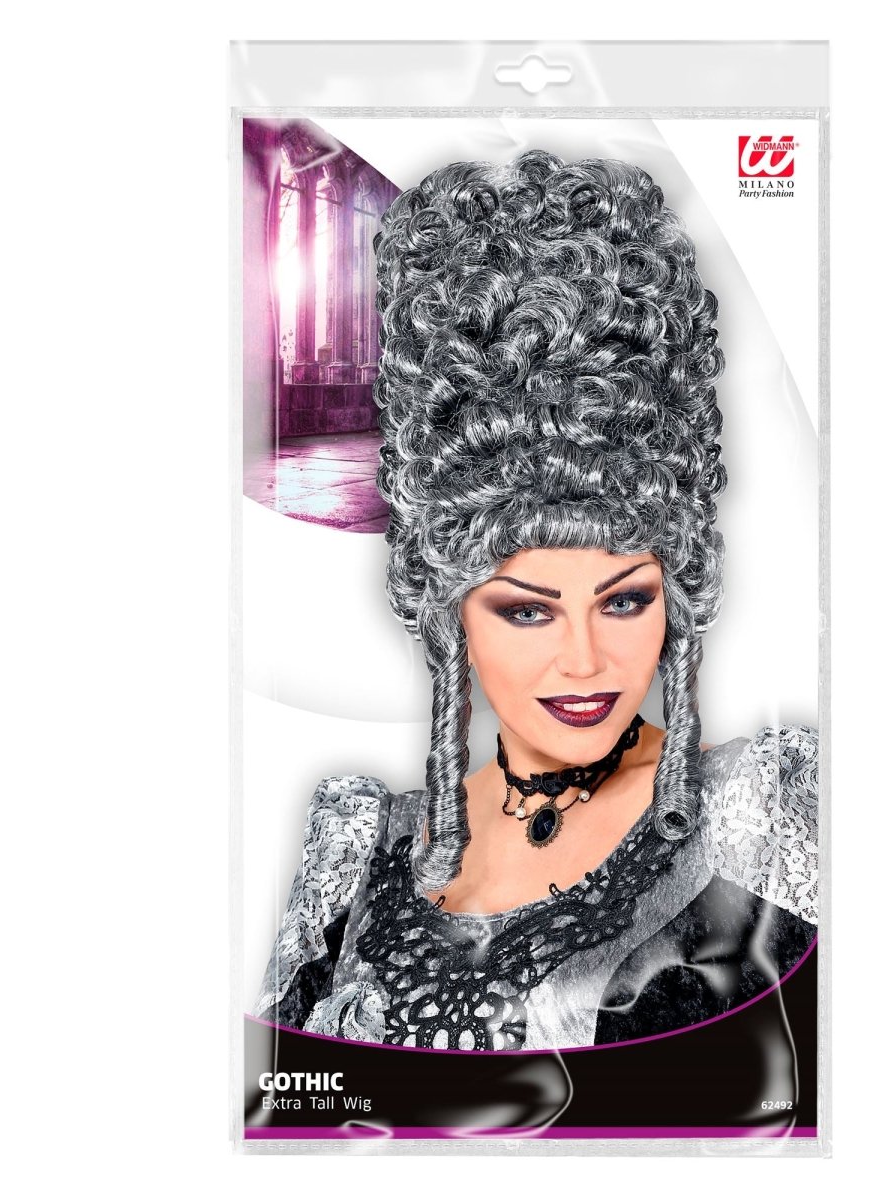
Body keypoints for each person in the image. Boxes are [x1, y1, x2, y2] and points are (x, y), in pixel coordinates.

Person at [253, 148, 818, 1052]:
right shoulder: (360, 854)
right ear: (448, 609)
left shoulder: (761, 814)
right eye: (528, 611)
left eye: (625, 602)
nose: (586, 661)